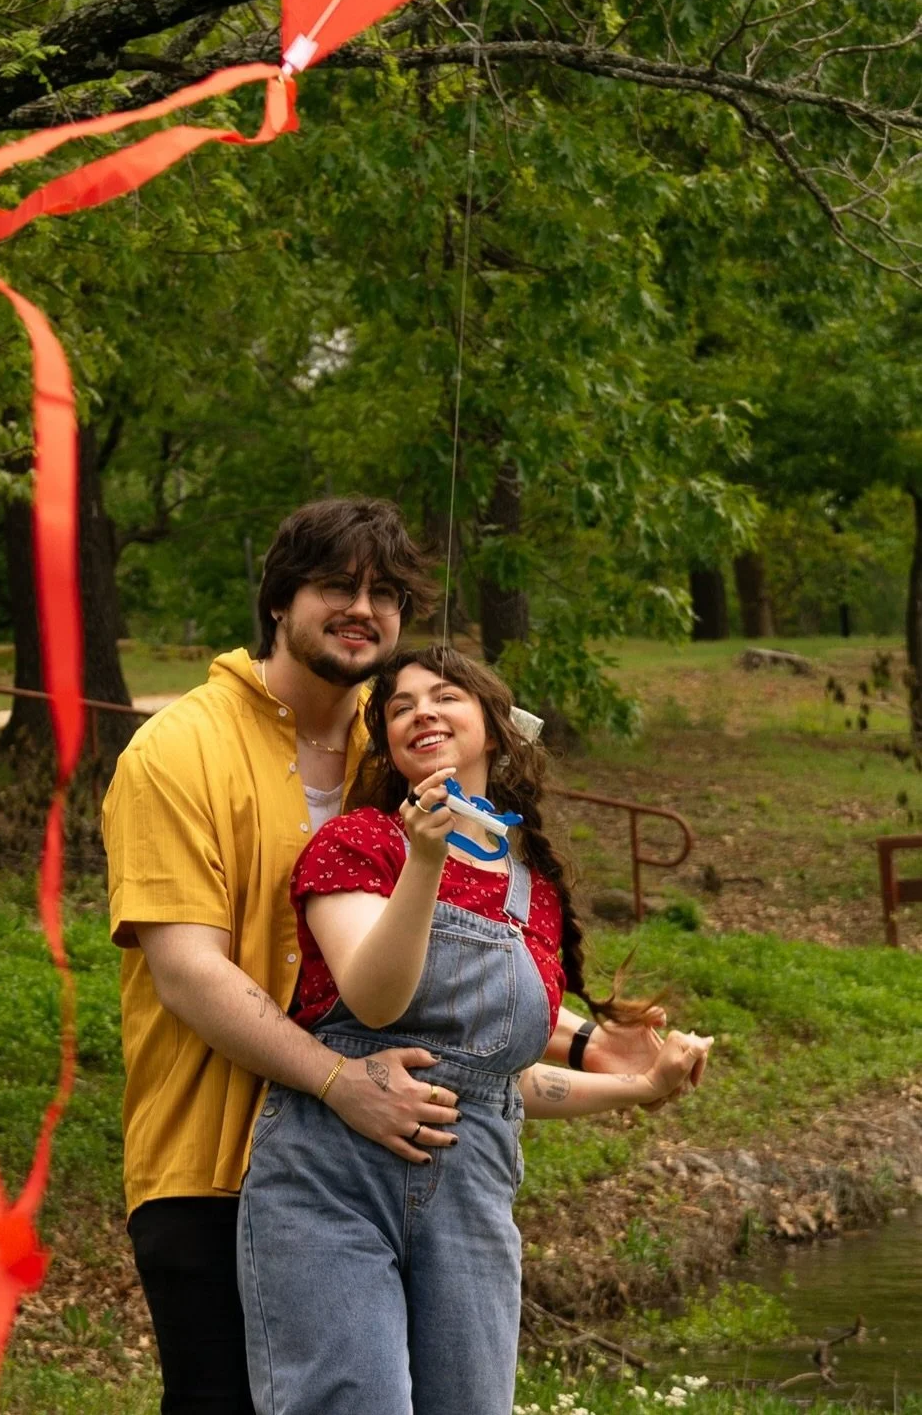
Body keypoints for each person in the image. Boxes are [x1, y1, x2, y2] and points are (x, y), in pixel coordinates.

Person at [103, 499, 689, 1415]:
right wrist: (340, 1083)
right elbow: (188, 971)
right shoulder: (179, 750)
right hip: (213, 1163)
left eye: (385, 593)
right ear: (277, 601)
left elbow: (453, 952)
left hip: (412, 1152)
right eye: (336, 585)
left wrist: (582, 1042)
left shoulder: (398, 752)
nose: (362, 608)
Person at [236, 646, 713, 1415]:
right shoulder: (361, 843)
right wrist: (423, 860)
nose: (421, 710)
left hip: (472, 1193)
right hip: (331, 1180)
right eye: (399, 705)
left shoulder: (535, 893)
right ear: (388, 742)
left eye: (446, 695)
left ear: (494, 728)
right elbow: (375, 998)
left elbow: (498, 1081)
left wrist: (640, 1086)